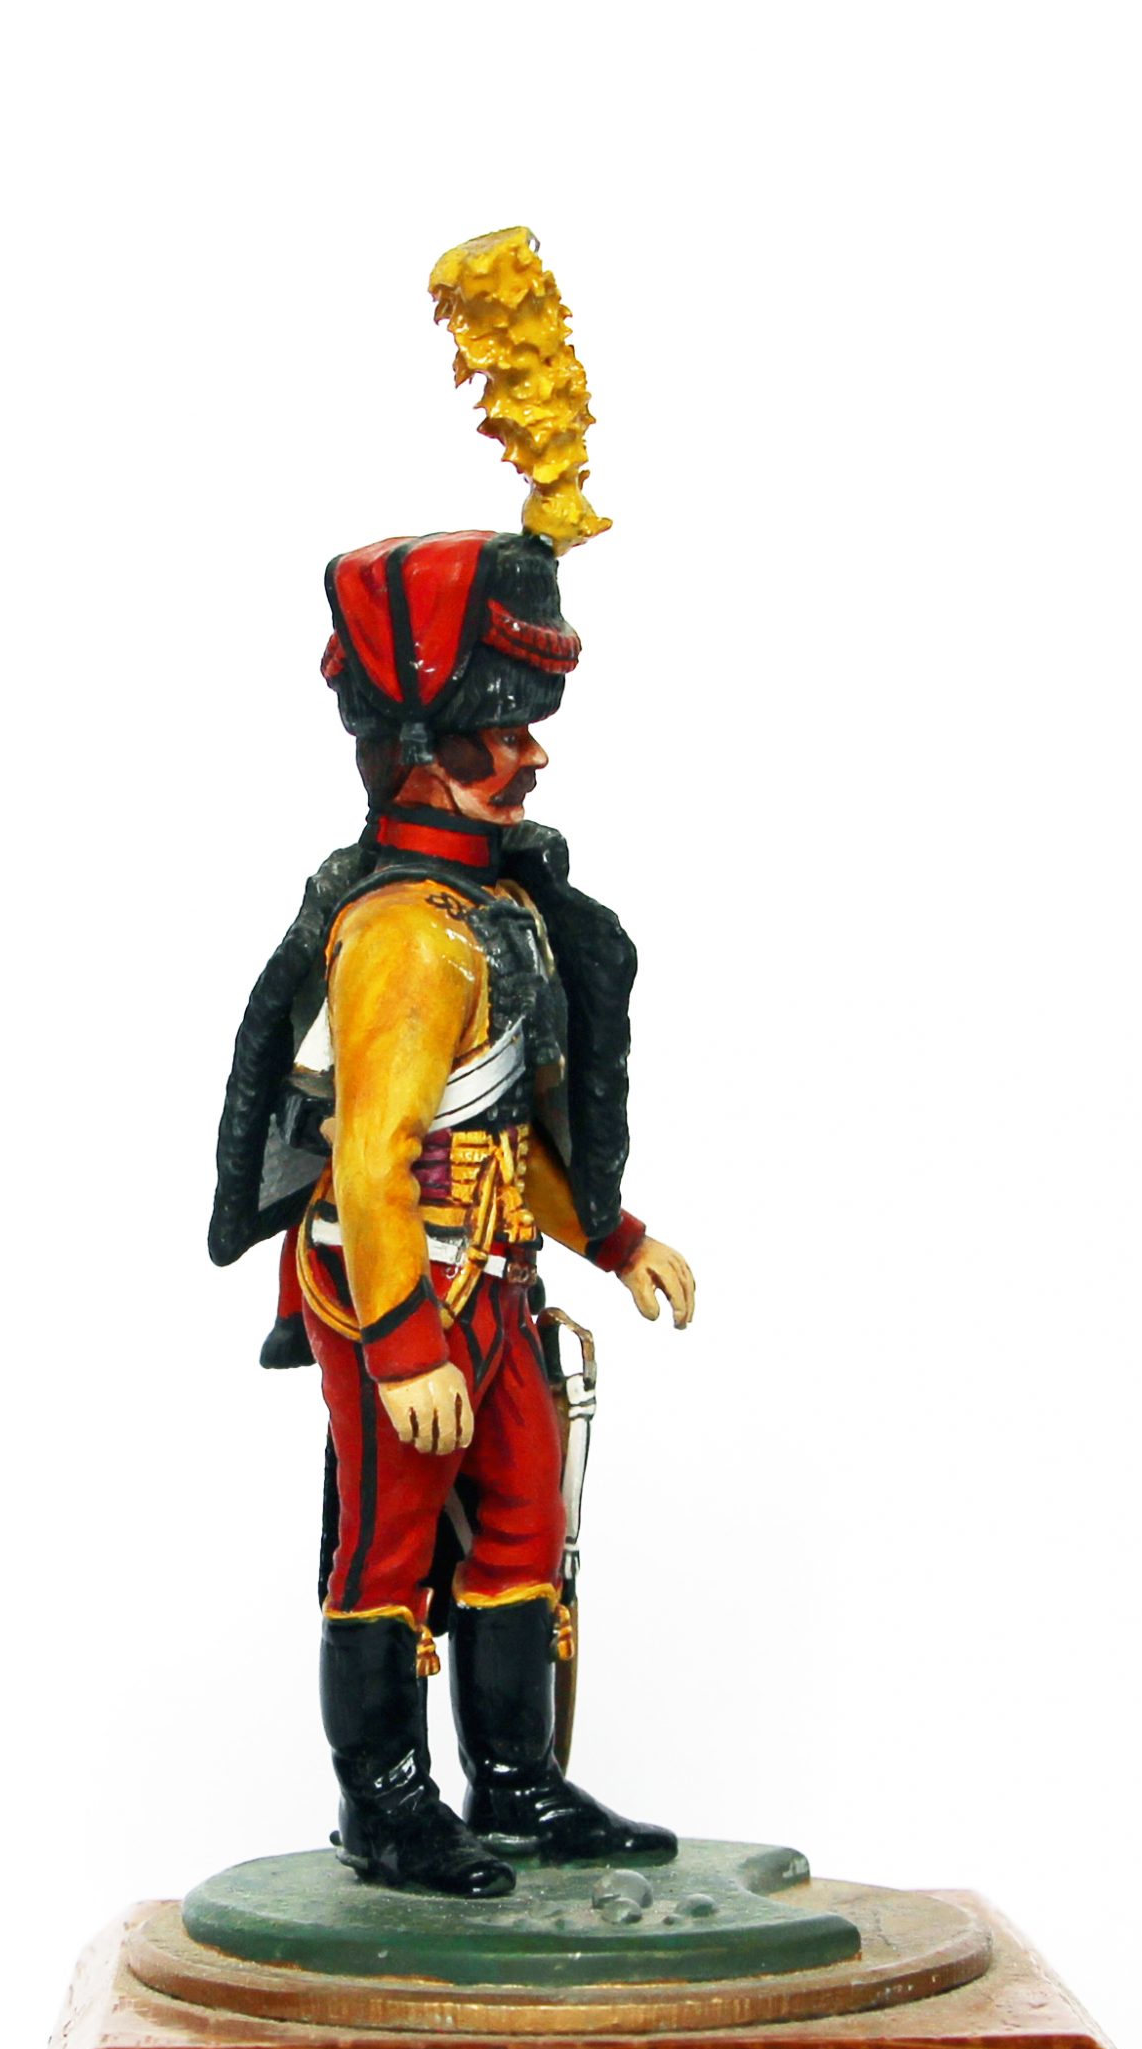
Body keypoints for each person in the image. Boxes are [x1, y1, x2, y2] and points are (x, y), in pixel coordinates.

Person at [210, 529, 695, 1896]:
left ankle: (515, 1784)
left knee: (525, 1523)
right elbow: (373, 1159)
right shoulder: (407, 934)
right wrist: (406, 1343)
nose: (532, 750)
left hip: (493, 1278)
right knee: (390, 1543)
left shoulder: (496, 911)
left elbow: (506, 1136)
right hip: (397, 1290)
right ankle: (384, 1804)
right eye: (503, 726)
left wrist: (612, 1238)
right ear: (422, 749)